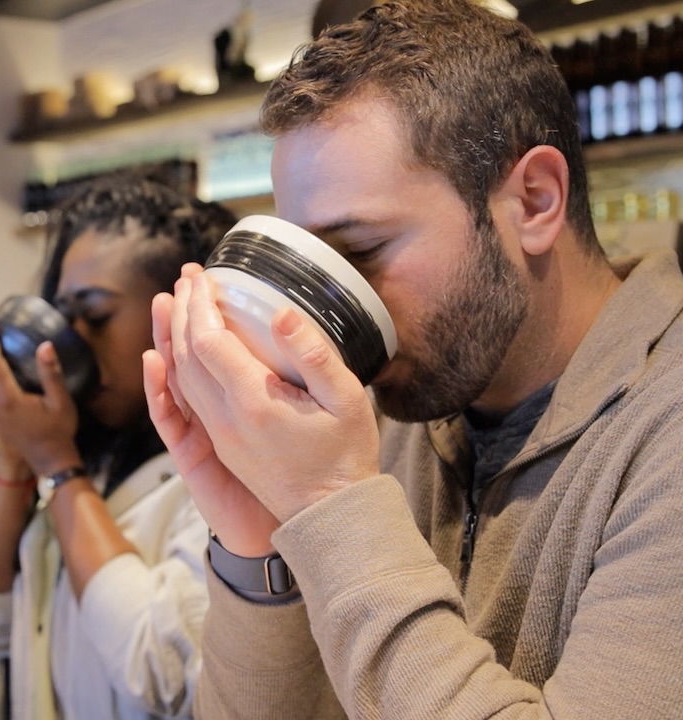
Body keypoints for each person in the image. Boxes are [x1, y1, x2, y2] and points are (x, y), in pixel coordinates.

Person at [143, 0, 683, 717]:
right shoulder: (393, 406)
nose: (326, 310)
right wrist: (256, 544)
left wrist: (333, 501)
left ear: (535, 199)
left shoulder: (662, 430)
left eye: (362, 251)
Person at [0, 175, 237, 719]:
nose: (66, 340)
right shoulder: (84, 448)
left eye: (95, 316)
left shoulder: (228, 471)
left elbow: (163, 673)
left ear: (177, 315)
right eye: (60, 312)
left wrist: (58, 467)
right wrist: (15, 454)